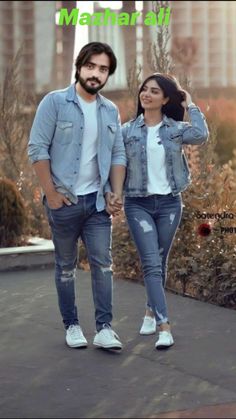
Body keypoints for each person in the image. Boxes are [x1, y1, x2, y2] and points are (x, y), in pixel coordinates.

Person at [28, 42, 126, 350]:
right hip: (65, 202)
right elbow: (37, 149)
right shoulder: (54, 103)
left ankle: (104, 328)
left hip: (97, 202)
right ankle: (71, 325)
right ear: (79, 66)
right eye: (91, 66)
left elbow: (118, 153)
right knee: (66, 267)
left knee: (104, 265)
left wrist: (116, 194)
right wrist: (51, 194)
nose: (96, 74)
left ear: (108, 75)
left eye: (103, 69)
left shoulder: (110, 110)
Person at [110, 73, 209, 349]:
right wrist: (112, 193)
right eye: (144, 90)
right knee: (152, 262)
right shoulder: (126, 131)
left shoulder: (176, 129)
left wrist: (190, 104)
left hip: (169, 204)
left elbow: (201, 135)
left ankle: (150, 311)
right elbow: (115, 164)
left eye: (154, 91)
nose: (147, 94)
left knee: (161, 260)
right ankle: (165, 327)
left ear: (165, 99)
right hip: (138, 204)